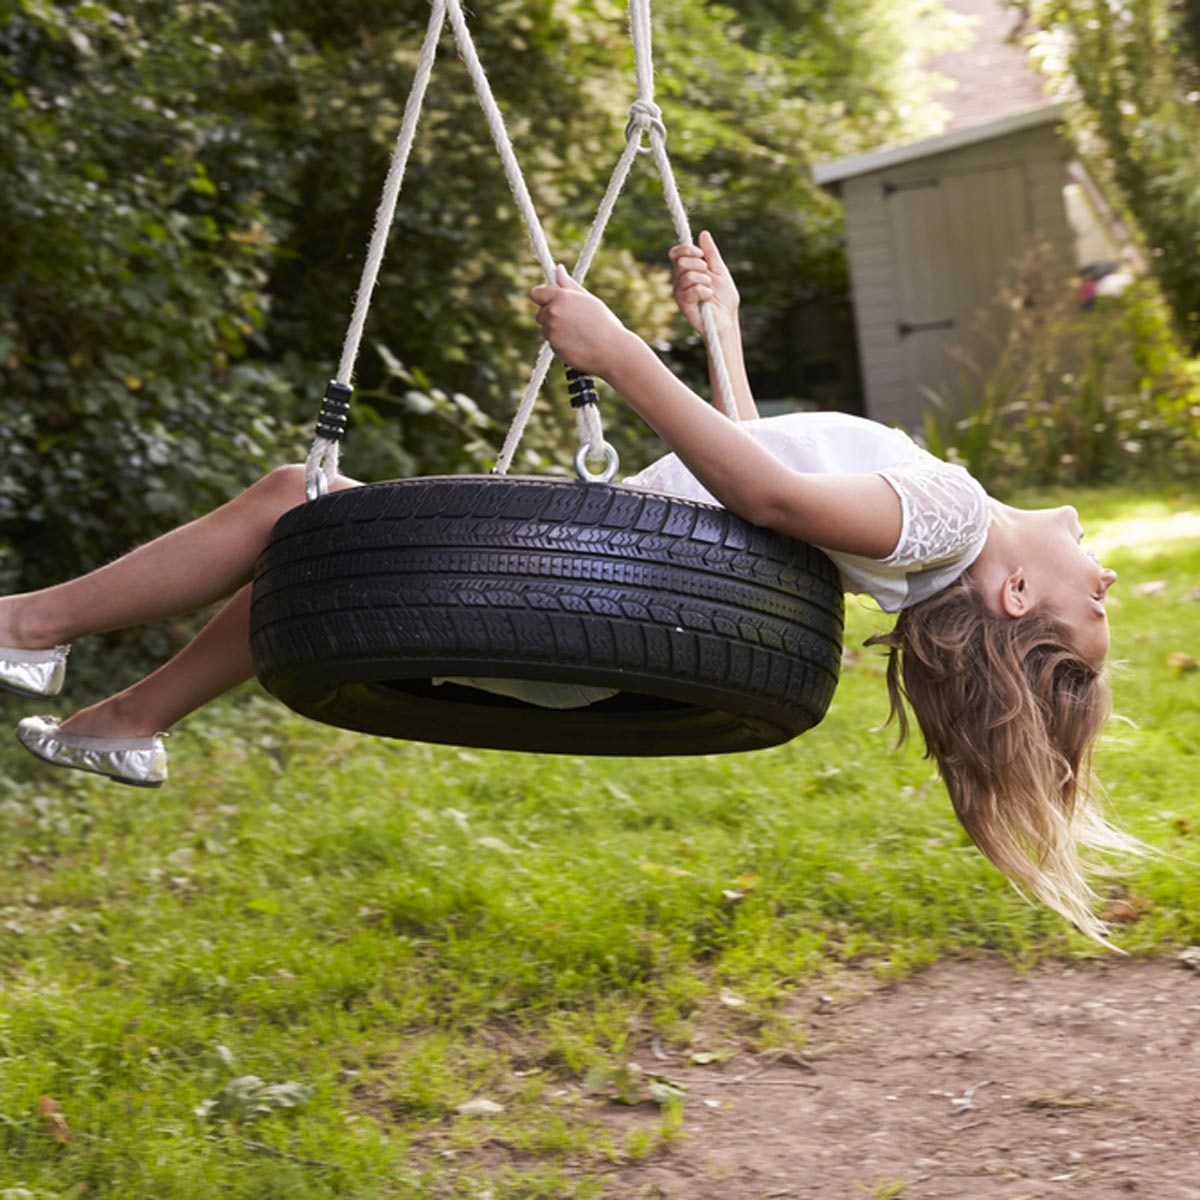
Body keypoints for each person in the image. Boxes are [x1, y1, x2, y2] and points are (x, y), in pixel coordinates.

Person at [2, 233, 1130, 940]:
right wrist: (719, 332)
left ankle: (25, 628)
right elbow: (765, 470)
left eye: (1098, 607)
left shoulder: (949, 520)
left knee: (294, 501)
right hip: (583, 636)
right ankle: (125, 720)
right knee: (319, 545)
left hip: (580, 610)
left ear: (1018, 597)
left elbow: (776, 503)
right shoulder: (922, 540)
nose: (1111, 574)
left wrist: (621, 352)